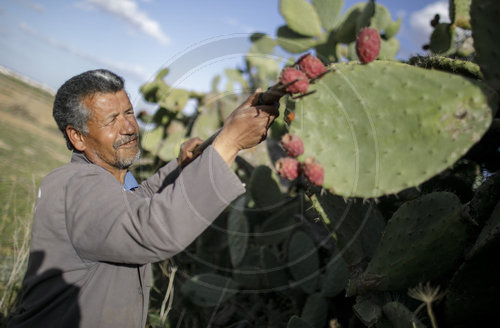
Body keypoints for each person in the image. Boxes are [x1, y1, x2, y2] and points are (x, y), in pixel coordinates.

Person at [8, 69, 278, 328]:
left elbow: (138, 202)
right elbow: (150, 230)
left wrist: (183, 166)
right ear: (77, 137)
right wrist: (229, 144)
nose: (128, 127)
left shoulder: (101, 181)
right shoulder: (76, 185)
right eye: (111, 120)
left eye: (128, 112)